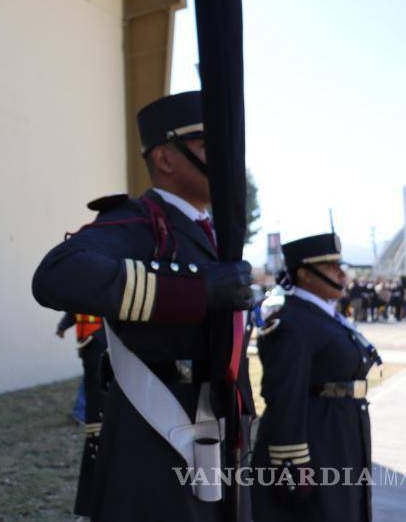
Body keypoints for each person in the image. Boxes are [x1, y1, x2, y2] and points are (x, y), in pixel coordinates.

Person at [33, 91, 255, 521]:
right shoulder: (139, 222)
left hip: (220, 420)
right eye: (209, 148)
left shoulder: (213, 231)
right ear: (166, 159)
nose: (226, 162)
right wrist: (198, 292)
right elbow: (56, 275)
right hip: (157, 429)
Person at [252, 233, 379, 522]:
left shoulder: (324, 316)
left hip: (339, 435)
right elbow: (285, 398)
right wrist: (291, 469)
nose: (341, 273)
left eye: (340, 265)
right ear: (305, 274)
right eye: (331, 266)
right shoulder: (291, 321)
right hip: (317, 441)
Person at [56, 310, 107, 519]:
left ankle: (79, 412)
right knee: (89, 385)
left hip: (100, 343)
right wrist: (62, 327)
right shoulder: (83, 295)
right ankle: (80, 412)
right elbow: (71, 313)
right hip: (88, 345)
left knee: (91, 385)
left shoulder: (101, 296)